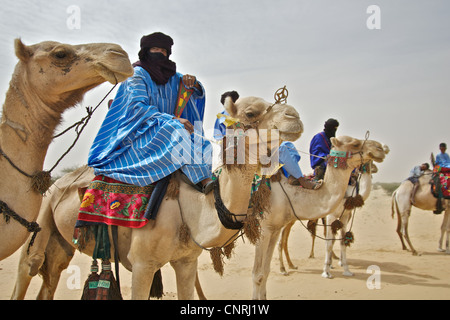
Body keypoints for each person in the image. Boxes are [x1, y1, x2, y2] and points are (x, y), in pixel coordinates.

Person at [87, 32, 213, 194]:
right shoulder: (137, 75)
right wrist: (173, 120)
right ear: (146, 51)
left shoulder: (173, 77)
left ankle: (206, 180)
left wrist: (194, 84)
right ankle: (203, 180)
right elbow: (137, 108)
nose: (159, 53)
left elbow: (193, 89)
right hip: (139, 132)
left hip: (169, 127)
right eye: (155, 49)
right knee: (178, 131)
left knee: (200, 140)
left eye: (163, 51)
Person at [214, 91, 321, 189]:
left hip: (254, 144)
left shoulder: (243, 113)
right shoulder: (223, 119)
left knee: (287, 145)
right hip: (239, 151)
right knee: (281, 150)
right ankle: (301, 179)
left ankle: (292, 176)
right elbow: (219, 137)